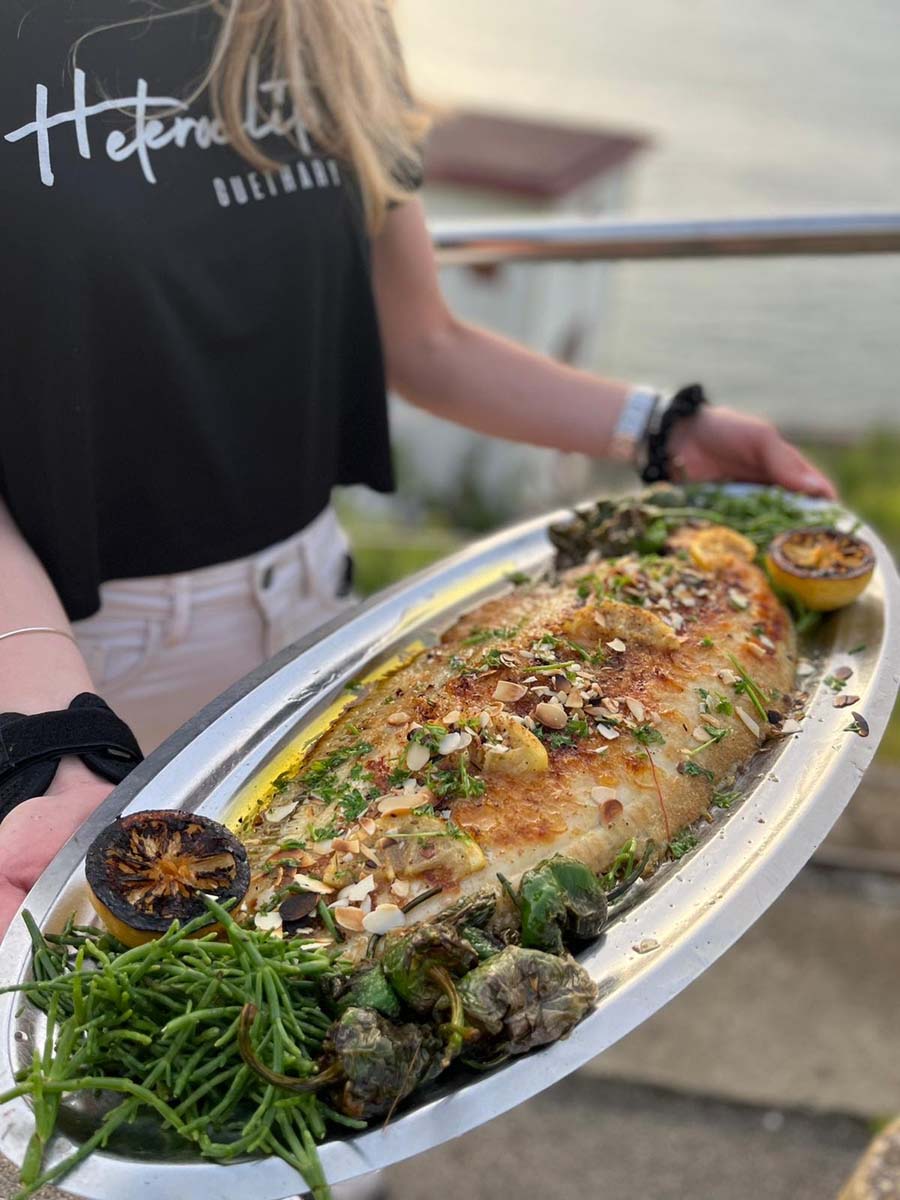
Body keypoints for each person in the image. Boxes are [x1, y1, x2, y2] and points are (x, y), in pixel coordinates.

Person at [0, 1, 835, 937]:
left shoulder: (331, 22)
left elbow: (423, 340)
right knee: (105, 990)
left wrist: (662, 428)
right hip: (63, 652)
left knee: (367, 952)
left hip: (312, 610)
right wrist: (45, 731)